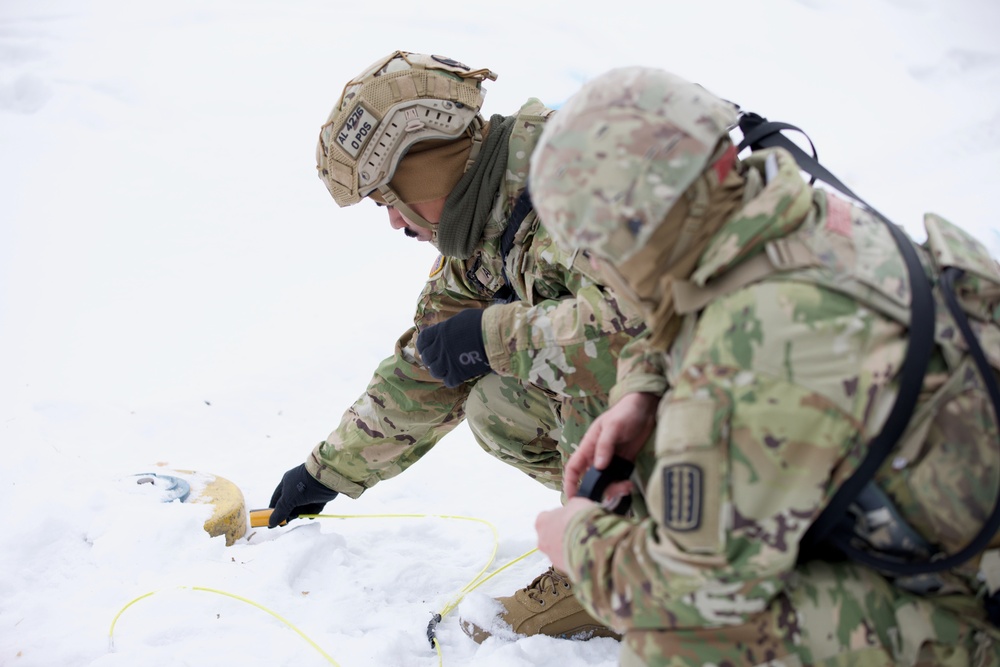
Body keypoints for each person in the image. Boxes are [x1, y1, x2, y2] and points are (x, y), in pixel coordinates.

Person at [530, 66, 1000, 665]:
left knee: (679, 643)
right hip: (958, 537)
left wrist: (577, 540)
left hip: (978, 616)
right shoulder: (802, 216)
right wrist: (642, 391)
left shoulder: (746, 360)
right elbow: (698, 302)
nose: (600, 269)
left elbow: (696, 594)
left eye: (600, 250)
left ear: (641, 232)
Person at [267, 51, 662, 643]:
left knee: (568, 365)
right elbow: (426, 366)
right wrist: (324, 474)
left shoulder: (586, 192)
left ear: (428, 170)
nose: (396, 224)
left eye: (389, 198)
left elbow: (639, 343)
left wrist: (495, 337)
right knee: (499, 408)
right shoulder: (493, 223)